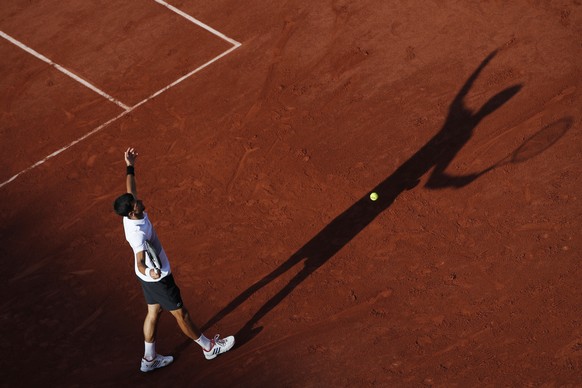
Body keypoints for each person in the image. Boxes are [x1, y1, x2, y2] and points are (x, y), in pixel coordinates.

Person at [113, 147, 235, 373]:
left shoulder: (132, 211)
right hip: (157, 277)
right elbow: (141, 261)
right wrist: (152, 272)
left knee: (153, 311)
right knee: (181, 313)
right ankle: (208, 348)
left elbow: (131, 188)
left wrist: (130, 164)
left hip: (146, 279)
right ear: (131, 213)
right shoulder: (137, 233)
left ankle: (149, 360)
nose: (139, 201)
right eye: (135, 204)